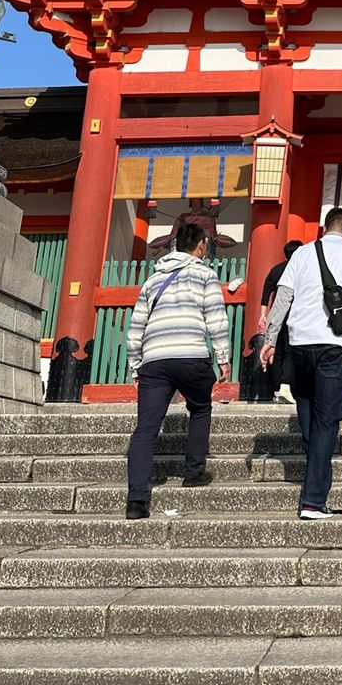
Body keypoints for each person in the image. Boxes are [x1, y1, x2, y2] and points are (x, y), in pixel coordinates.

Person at [259, 206, 342, 519]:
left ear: (323, 228)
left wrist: (270, 339)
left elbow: (283, 296)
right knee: (327, 421)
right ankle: (313, 501)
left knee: (305, 401)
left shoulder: (301, 255)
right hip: (336, 344)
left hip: (300, 342)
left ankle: (313, 460)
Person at [125, 222, 231, 519]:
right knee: (200, 408)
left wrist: (136, 365)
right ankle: (193, 470)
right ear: (200, 246)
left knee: (146, 428)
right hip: (191, 355)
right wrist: (223, 357)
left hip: (155, 360)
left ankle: (136, 499)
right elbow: (216, 318)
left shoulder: (152, 281)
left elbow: (136, 327)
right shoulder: (205, 274)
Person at [258, 238, 301, 406]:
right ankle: (286, 385)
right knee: (290, 352)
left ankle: (276, 388)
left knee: (277, 353)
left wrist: (263, 314)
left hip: (276, 315)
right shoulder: (299, 269)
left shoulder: (276, 270)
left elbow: (266, 291)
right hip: (294, 315)